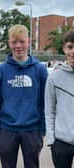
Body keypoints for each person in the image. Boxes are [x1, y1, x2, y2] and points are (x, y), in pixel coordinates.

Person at [0, 24, 48, 168]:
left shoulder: (40, 70)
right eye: (14, 42)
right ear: (9, 43)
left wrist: (43, 129)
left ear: (28, 41)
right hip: (7, 130)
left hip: (32, 130)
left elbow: (45, 103)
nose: (18, 46)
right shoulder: (1, 71)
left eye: (22, 41)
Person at [45, 29, 74, 168]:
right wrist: (51, 139)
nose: (73, 51)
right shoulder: (54, 78)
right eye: (70, 47)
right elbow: (49, 110)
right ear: (64, 49)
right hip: (61, 143)